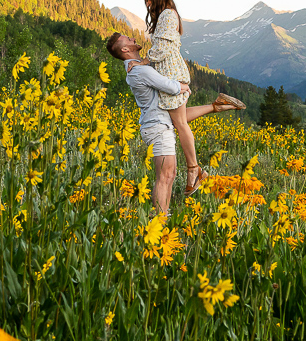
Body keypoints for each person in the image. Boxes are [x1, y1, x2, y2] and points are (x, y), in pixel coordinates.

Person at [105, 30, 246, 214]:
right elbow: (171, 88)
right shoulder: (140, 70)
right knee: (166, 175)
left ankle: (216, 106)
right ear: (125, 49)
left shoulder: (137, 67)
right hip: (158, 129)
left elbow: (175, 115)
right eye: (128, 39)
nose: (132, 38)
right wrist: (185, 87)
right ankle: (159, 220)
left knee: (168, 175)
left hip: (160, 123)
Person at [131, 0, 228, 194]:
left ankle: (194, 170)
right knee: (179, 120)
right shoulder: (168, 14)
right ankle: (216, 106)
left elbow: (163, 48)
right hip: (172, 73)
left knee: (180, 124)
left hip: (171, 74)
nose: (146, 3)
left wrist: (145, 60)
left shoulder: (166, 15)